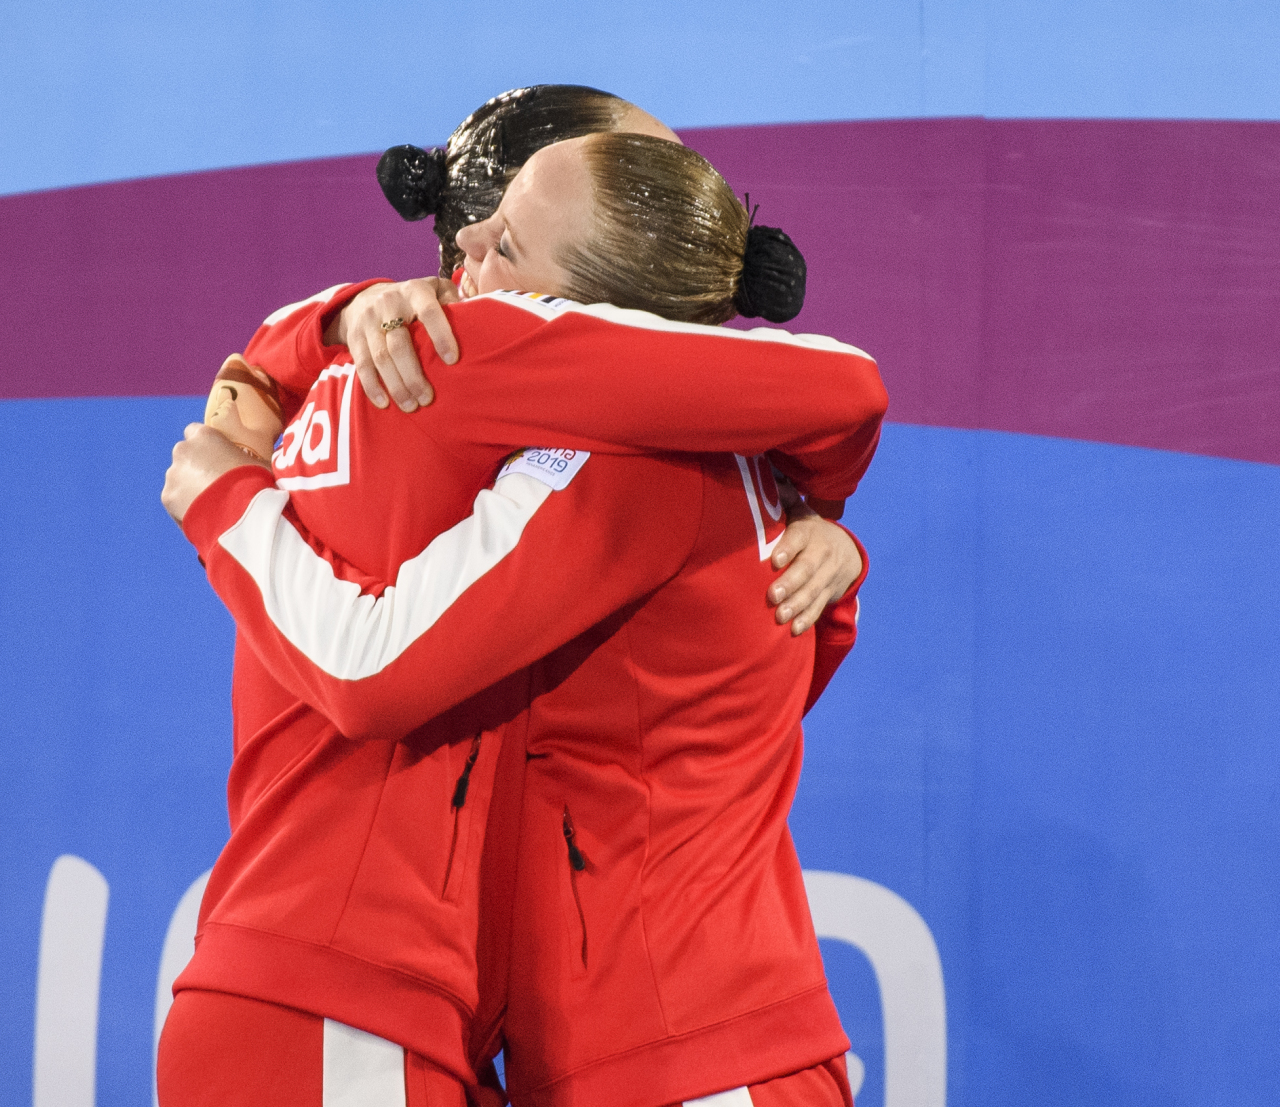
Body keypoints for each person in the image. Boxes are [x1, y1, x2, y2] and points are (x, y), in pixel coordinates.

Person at [158, 110, 884, 1107]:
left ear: (585, 312)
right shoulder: (701, 456)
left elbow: (369, 671)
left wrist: (224, 494)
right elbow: (844, 409)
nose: (464, 251)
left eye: (504, 240)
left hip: (658, 1057)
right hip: (468, 1024)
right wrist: (828, 527)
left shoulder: (521, 395)